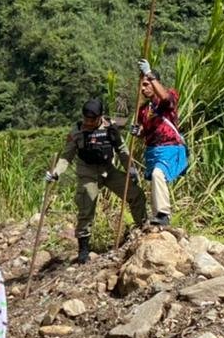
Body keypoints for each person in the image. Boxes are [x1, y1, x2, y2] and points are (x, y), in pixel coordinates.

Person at [45, 97, 147, 263]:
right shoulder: (77, 131)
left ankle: (142, 228)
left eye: (92, 120)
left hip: (108, 171)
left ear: (100, 117)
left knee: (136, 194)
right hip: (88, 173)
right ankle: (83, 248)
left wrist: (131, 168)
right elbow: (66, 156)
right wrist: (55, 173)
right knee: (87, 203)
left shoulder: (110, 128)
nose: (88, 123)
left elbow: (121, 149)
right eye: (86, 119)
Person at [132, 59, 188, 227]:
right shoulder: (143, 109)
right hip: (153, 151)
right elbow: (145, 131)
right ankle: (158, 216)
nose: (143, 89)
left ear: (154, 82)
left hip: (169, 148)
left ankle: (163, 214)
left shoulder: (168, 96)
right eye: (141, 86)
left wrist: (148, 73)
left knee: (158, 174)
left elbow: (165, 98)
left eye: (146, 84)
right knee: (156, 179)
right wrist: (138, 132)